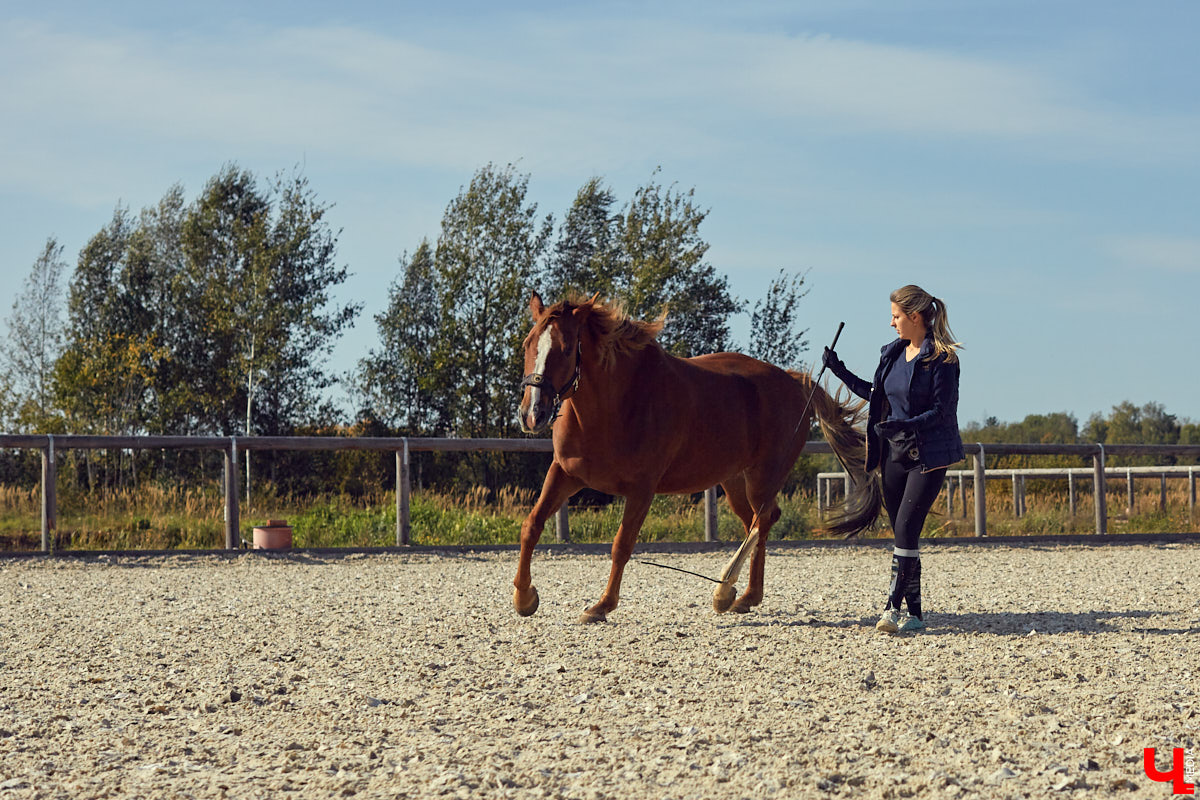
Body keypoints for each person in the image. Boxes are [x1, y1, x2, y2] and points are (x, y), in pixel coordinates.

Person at [822, 285, 965, 634]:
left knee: (904, 528)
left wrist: (906, 425)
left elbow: (942, 412)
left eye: (896, 316)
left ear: (914, 317)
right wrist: (838, 370)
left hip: (926, 457)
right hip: (893, 454)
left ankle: (891, 608)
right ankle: (915, 615)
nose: (891, 323)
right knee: (906, 535)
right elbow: (876, 395)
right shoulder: (892, 354)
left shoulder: (943, 360)